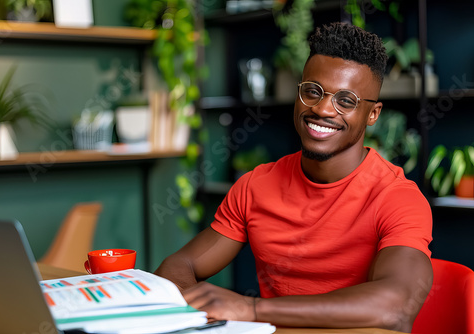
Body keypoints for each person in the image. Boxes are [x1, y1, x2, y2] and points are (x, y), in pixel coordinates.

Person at [154, 22, 433, 333]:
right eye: (313, 91)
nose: (324, 109)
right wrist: (191, 309)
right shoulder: (255, 186)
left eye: (346, 100)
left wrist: (252, 308)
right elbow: (180, 265)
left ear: (372, 114)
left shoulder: (397, 198)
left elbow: (396, 307)